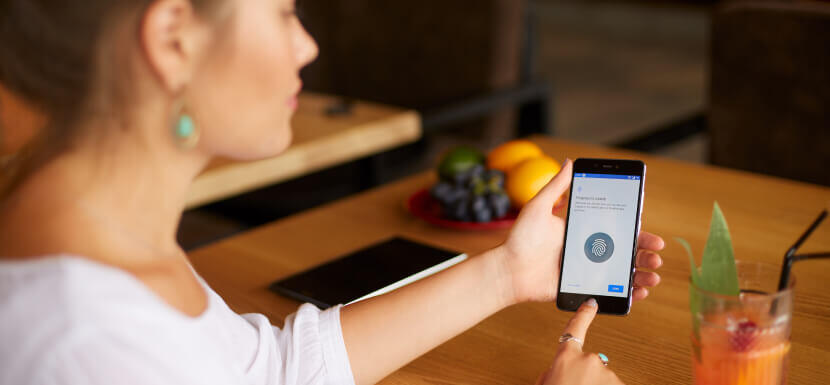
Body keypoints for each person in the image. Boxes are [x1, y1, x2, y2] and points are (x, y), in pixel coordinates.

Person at [0, 0, 664, 384]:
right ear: (173, 36)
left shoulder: (105, 233)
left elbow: (268, 374)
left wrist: (505, 274)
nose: (307, 45)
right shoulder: (81, 344)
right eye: (284, 11)